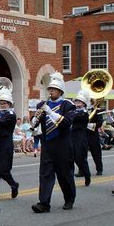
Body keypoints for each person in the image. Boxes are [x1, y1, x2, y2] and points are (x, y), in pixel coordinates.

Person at [32, 72, 77, 213]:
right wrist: (35, 118)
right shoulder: (42, 104)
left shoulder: (68, 105)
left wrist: (50, 112)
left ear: (60, 91)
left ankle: (69, 199)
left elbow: (66, 123)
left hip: (62, 144)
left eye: (54, 89)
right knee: (45, 174)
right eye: (49, 89)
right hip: (47, 143)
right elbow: (35, 123)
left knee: (64, 174)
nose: (51, 91)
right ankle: (44, 203)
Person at [0, 87, 20, 200]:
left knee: (3, 170)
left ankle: (14, 184)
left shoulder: (11, 114)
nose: (2, 105)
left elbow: (0, 122)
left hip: (5, 145)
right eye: (0, 103)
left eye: (4, 103)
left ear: (9, 104)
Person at [70, 89, 92, 187]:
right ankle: (70, 179)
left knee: (80, 159)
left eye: (80, 101)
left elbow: (75, 117)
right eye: (76, 101)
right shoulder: (73, 111)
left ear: (84, 104)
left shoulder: (84, 113)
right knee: (71, 158)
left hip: (80, 138)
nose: (77, 102)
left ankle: (87, 175)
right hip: (71, 137)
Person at [86, 100, 105, 175]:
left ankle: (99, 169)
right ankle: (82, 170)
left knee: (96, 153)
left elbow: (100, 122)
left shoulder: (96, 110)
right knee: (81, 153)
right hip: (82, 134)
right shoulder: (81, 109)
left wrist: (88, 125)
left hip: (93, 134)